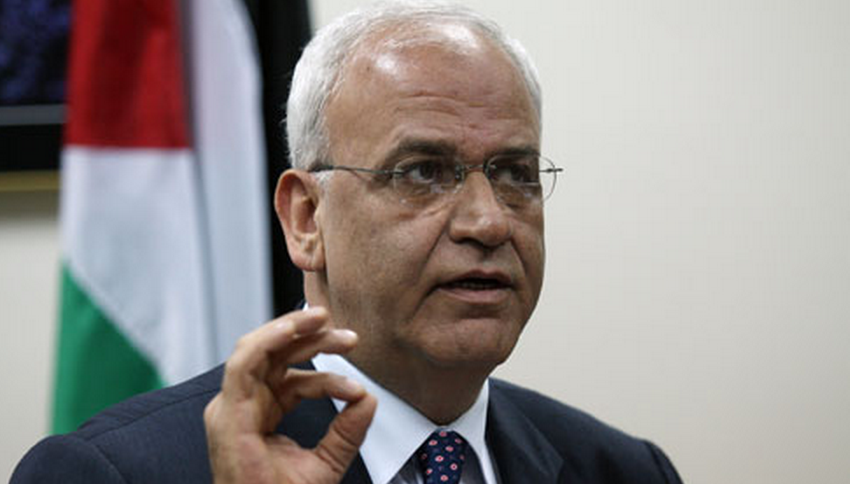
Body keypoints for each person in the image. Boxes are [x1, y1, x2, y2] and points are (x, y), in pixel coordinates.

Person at [12, 2, 683, 483]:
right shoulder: (109, 473)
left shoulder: (623, 469)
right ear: (306, 219)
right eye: (422, 172)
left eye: (514, 174)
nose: (488, 223)